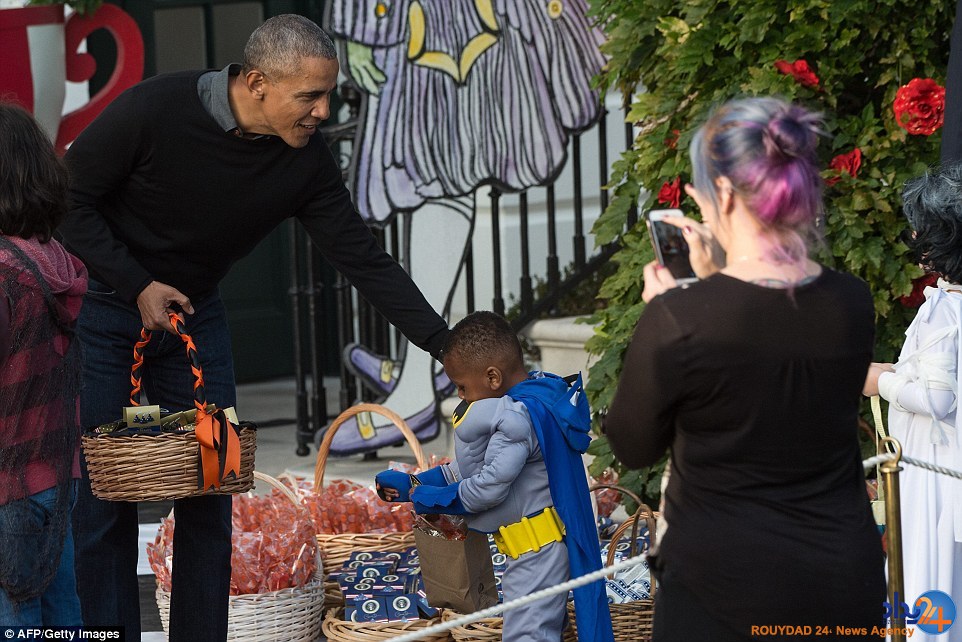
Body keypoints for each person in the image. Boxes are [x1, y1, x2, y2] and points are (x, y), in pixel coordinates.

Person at [58, 14, 448, 642]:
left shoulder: (306, 160)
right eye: (310, 96)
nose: (323, 112)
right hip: (105, 316)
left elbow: (362, 258)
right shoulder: (153, 109)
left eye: (329, 95)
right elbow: (67, 202)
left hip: (197, 322)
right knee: (103, 500)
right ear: (259, 82)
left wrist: (444, 345)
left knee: (216, 488)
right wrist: (136, 285)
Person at [604, 97, 885, 641]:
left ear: (726, 193)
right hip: (840, 578)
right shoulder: (851, 301)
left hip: (722, 589)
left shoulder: (681, 317)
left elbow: (633, 444)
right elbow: (773, 347)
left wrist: (671, 309)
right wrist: (705, 289)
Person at [374, 311, 612, 642]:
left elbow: (487, 488)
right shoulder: (528, 402)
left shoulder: (517, 418)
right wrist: (417, 482)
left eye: (461, 386)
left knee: (526, 635)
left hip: (537, 549)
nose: (460, 396)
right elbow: (473, 469)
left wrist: (424, 497)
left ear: (492, 377)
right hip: (538, 547)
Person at [863, 164, 962, 641]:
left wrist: (879, 381)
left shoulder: (946, 309)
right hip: (942, 462)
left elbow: (939, 398)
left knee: (930, 573)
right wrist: (896, 373)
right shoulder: (949, 304)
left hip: (934, 470)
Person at [0, 102, 88, 625]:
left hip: (7, 483)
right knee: (62, 612)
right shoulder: (52, 259)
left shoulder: (5, 275)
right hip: (56, 474)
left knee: (14, 620)